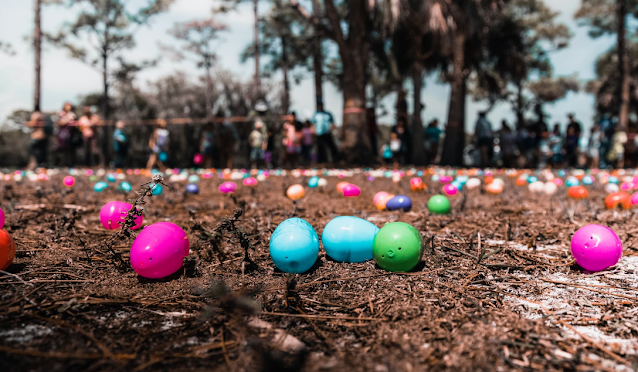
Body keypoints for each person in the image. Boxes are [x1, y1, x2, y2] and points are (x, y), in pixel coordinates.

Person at [56, 102, 78, 167]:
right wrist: (68, 119)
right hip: (63, 135)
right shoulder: (62, 114)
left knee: (71, 150)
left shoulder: (72, 114)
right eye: (67, 106)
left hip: (71, 135)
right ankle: (62, 164)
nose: (69, 107)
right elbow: (60, 122)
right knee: (63, 150)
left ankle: (71, 164)